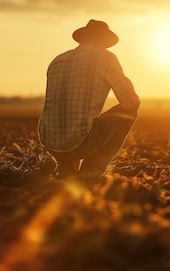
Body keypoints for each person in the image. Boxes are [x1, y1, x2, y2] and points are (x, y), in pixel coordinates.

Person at [38, 19, 140, 177]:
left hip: (49, 142)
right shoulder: (106, 58)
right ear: (104, 41)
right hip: (81, 142)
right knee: (129, 112)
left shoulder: (57, 60)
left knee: (74, 119)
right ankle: (92, 170)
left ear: (82, 39)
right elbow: (130, 102)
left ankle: (64, 167)